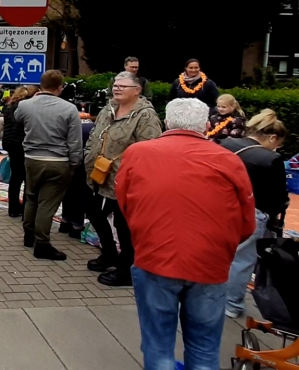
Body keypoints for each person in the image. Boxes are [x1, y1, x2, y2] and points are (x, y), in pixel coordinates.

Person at [117, 98, 254, 369]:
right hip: (209, 262)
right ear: (206, 126)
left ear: (166, 122)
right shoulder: (228, 159)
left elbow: (125, 202)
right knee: (204, 345)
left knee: (158, 344)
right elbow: (246, 220)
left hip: (155, 256)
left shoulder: (138, 153)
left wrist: (146, 232)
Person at [83, 72, 163, 287]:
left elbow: (150, 150)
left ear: (137, 90)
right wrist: (88, 153)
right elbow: (94, 135)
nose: (117, 89)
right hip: (99, 175)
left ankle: (127, 269)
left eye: (122, 86)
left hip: (126, 180)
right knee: (94, 212)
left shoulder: (145, 116)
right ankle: (109, 254)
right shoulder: (108, 108)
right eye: (115, 85)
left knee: (123, 224)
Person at [220, 109, 289, 318]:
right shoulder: (271, 158)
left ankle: (212, 295)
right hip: (252, 210)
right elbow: (278, 197)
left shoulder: (228, 144)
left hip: (223, 206)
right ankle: (231, 303)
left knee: (221, 254)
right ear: (272, 138)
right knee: (242, 259)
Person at [15, 70, 82, 261]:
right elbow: (74, 141)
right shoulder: (69, 109)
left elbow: (17, 119)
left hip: (32, 158)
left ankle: (28, 235)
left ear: (40, 85)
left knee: (31, 197)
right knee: (47, 203)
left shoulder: (25, 105)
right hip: (58, 161)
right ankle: (42, 243)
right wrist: (74, 163)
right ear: (60, 87)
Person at [1, 86, 34, 217]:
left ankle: (13, 208)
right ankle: (26, 209)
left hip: (10, 143)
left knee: (15, 177)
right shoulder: (27, 109)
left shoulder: (9, 107)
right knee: (27, 178)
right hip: (22, 144)